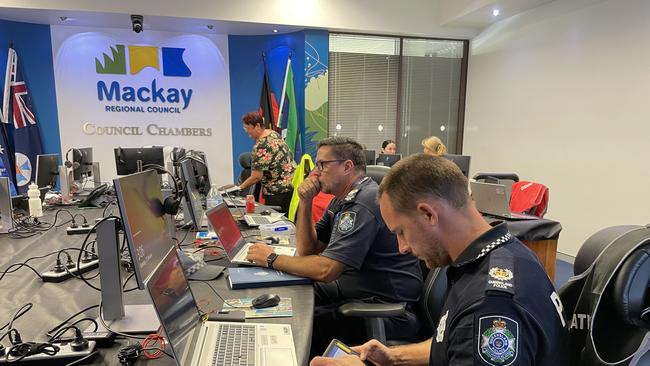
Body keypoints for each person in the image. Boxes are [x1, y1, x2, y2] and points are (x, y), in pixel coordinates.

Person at [310, 154, 568, 366]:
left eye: (401, 232)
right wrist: (395, 357)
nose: (402, 248)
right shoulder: (507, 253)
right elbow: (455, 341)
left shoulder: (490, 305)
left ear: (428, 215)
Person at [246, 136, 423, 353]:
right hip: (355, 292)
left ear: (347, 166)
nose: (316, 172)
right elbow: (308, 250)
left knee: (298, 322)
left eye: (322, 165)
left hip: (384, 310)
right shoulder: (341, 200)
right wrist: (305, 202)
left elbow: (327, 270)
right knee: (290, 296)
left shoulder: (362, 203)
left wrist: (272, 259)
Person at [234, 111, 296, 214]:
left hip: (276, 193)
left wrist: (238, 188)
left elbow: (256, 176)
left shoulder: (261, 146)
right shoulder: (273, 133)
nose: (246, 131)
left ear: (257, 125)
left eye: (248, 128)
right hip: (289, 186)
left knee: (276, 223)